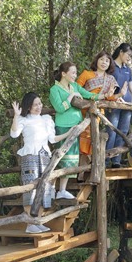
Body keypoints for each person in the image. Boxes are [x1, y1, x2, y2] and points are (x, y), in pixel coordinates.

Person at [11, 92, 76, 232]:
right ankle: (30, 224)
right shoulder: (24, 120)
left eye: (40, 103)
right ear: (28, 107)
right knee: (30, 189)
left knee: (45, 188)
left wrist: (69, 132)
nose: (38, 107)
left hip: (44, 156)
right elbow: (14, 134)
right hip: (30, 156)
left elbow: (52, 139)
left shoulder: (46, 119)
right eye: (35, 104)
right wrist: (16, 116)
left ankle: (38, 221)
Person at [49, 62, 101, 199]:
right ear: (63, 73)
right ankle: (51, 190)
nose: (75, 75)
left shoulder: (75, 86)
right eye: (72, 72)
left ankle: (62, 190)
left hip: (77, 127)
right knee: (60, 158)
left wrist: (108, 94)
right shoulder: (54, 90)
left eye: (75, 72)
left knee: (71, 159)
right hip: (63, 126)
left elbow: (89, 95)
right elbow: (59, 108)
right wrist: (71, 97)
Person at [76, 51, 120, 163]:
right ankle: (81, 168)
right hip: (83, 110)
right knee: (83, 135)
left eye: (107, 60)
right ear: (97, 61)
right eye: (101, 59)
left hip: (97, 112)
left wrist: (118, 95)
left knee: (92, 136)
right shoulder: (86, 74)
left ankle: (87, 168)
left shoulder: (110, 79)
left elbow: (109, 98)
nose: (104, 62)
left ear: (110, 64)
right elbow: (75, 90)